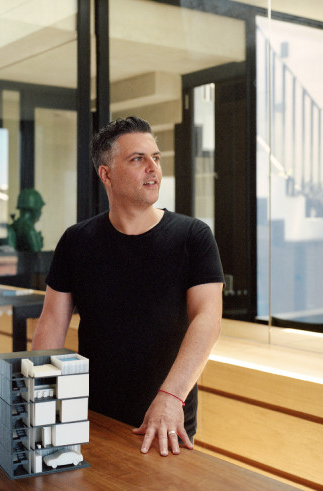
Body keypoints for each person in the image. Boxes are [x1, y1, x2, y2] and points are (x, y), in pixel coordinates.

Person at [32, 116, 224, 457]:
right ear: (106, 174)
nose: (153, 168)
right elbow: (51, 324)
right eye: (138, 159)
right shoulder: (76, 241)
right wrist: (36, 404)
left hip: (165, 424)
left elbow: (208, 319)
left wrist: (171, 397)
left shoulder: (193, 237)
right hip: (91, 419)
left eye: (156, 158)